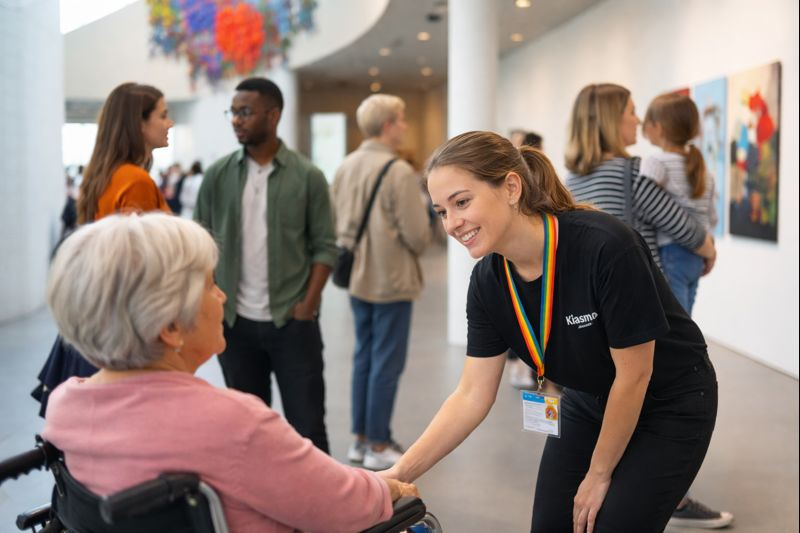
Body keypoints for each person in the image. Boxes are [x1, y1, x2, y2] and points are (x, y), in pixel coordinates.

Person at [385, 130, 719, 533]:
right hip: (590, 398)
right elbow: (472, 393)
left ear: (511, 187)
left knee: (609, 523)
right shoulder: (489, 282)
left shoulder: (605, 246)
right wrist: (398, 473)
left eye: (462, 202)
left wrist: (598, 475)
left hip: (668, 401)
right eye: (441, 211)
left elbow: (635, 376)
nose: (452, 224)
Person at [41, 213, 418, 533]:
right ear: (171, 326)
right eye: (211, 285)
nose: (222, 296)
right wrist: (388, 489)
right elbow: (346, 507)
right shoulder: (232, 423)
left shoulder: (65, 405)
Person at [564, 83, 732, 529]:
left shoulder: (569, 183)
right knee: (658, 393)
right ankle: (667, 494)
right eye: (631, 112)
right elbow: (682, 225)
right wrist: (710, 248)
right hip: (647, 304)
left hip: (593, 314)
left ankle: (618, 481)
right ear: (608, 120)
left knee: (619, 392)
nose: (637, 121)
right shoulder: (631, 174)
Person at [194, 77, 336, 453]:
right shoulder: (218, 175)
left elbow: (325, 247)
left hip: (292, 323)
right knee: (247, 432)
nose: (236, 120)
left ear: (273, 116)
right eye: (233, 112)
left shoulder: (308, 177)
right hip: (235, 326)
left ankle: (320, 510)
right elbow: (198, 243)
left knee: (308, 428)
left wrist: (307, 306)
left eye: (245, 112)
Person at [33, 82, 173, 416]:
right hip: (125, 325)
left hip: (100, 316)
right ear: (138, 123)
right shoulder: (135, 181)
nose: (169, 124)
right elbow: (137, 263)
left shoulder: (105, 174)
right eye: (163, 115)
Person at [331, 94, 431, 470]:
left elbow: (333, 220)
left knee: (364, 356)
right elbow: (418, 235)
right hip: (391, 279)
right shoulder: (397, 171)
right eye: (402, 119)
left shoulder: (346, 166)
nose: (404, 126)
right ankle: (377, 442)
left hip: (357, 276)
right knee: (387, 362)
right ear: (388, 125)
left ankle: (359, 439)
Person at [642, 92, 719, 315]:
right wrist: (710, 249)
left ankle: (685, 352)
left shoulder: (656, 163)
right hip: (697, 256)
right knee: (686, 318)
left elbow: (643, 200)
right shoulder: (703, 169)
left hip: (671, 253)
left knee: (675, 323)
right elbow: (712, 218)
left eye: (648, 121)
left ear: (659, 128)